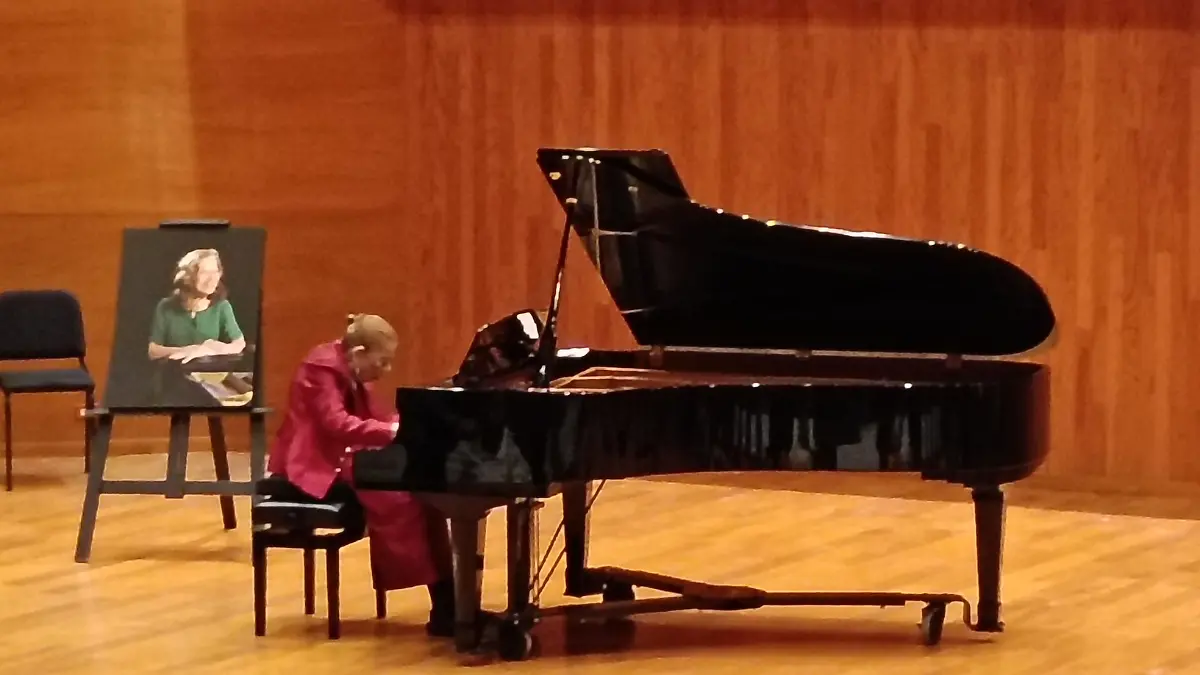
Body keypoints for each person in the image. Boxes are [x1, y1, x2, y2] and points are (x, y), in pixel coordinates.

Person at [266, 314, 457, 636]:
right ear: (358, 353)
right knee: (397, 498)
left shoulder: (345, 366)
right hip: (315, 462)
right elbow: (336, 424)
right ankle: (445, 602)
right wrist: (393, 431)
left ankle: (448, 601)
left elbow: (370, 417)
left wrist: (404, 422)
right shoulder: (320, 369)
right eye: (381, 362)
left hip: (343, 456)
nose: (385, 371)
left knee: (424, 491)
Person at [148, 248, 246, 364]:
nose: (212, 279)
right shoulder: (165, 306)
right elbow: (153, 351)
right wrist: (189, 350)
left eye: (215, 272)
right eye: (205, 273)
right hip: (172, 374)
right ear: (187, 277)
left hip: (206, 376)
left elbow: (239, 343)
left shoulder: (222, 306)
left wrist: (212, 349)